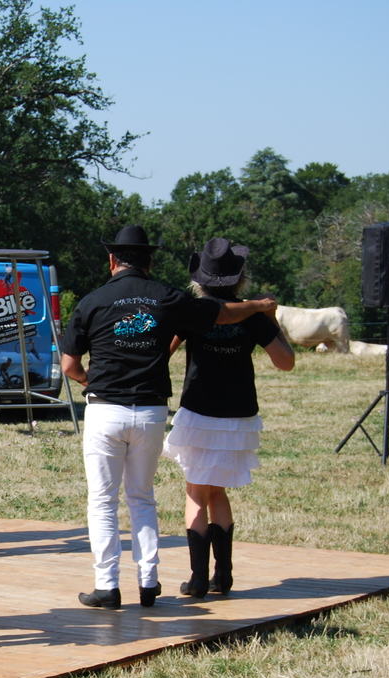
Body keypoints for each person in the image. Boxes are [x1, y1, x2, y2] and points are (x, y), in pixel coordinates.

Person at [59, 225, 278, 609]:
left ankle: (107, 586)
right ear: (149, 261)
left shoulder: (92, 301)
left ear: (112, 261)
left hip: (105, 409)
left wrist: (92, 381)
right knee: (142, 497)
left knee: (103, 501)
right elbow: (222, 313)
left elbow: (69, 365)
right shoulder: (168, 297)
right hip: (150, 410)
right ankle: (148, 581)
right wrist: (258, 307)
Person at [163, 238, 294, 598]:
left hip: (199, 411)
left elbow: (163, 351)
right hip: (238, 414)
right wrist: (269, 318)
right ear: (240, 278)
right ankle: (223, 576)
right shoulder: (253, 314)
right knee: (217, 490)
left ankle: (198, 578)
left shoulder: (194, 312)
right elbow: (286, 361)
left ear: (200, 280)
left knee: (195, 492)